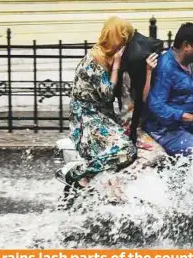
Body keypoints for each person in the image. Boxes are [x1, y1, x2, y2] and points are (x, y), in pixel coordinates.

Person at [58, 16, 158, 190]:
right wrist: (117, 64)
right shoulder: (94, 60)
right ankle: (78, 173)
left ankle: (95, 186)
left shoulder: (106, 56)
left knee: (131, 148)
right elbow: (107, 95)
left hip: (102, 116)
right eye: (125, 38)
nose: (128, 42)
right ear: (117, 37)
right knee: (125, 151)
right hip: (87, 119)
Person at [142, 22, 193, 157]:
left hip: (186, 128)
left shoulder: (185, 63)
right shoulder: (166, 67)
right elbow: (156, 106)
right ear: (186, 46)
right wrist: (189, 117)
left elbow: (184, 91)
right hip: (166, 131)